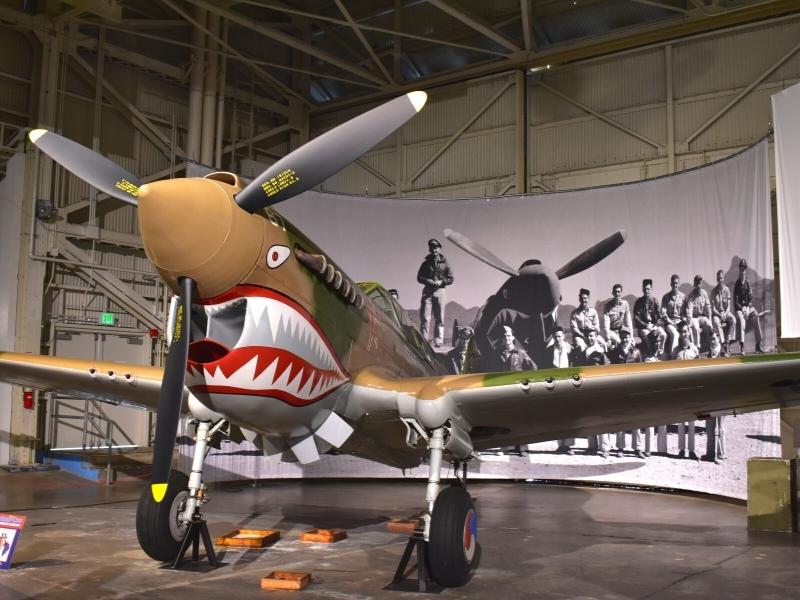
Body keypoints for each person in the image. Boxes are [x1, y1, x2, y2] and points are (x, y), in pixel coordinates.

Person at [609, 328, 649, 459]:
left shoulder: (636, 352)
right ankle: (620, 448)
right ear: (620, 337)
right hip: (620, 390)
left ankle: (637, 448)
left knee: (635, 420)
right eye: (623, 337)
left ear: (630, 337)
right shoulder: (615, 352)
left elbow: (642, 372)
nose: (625, 339)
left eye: (627, 337)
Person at [417, 238, 454, 347]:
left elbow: (451, 279)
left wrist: (442, 281)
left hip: (440, 291)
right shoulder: (425, 263)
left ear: (439, 249)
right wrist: (427, 280)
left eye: (436, 247)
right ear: (429, 249)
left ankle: (438, 341)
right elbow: (419, 277)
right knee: (425, 316)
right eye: (432, 247)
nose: (434, 249)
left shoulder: (446, 264)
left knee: (439, 317)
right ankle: (423, 340)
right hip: (427, 291)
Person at [672, 321, 700, 459]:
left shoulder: (694, 350)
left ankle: (692, 450)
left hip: (692, 389)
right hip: (680, 389)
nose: (683, 334)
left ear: (688, 331)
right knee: (681, 421)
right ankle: (682, 449)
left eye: (685, 331)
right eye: (681, 332)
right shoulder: (675, 351)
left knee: (692, 420)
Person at [546, 326, 575, 455]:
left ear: (563, 336)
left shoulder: (570, 349)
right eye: (556, 336)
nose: (558, 338)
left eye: (560, 336)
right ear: (553, 337)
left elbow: (574, 365)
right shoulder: (549, 350)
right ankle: (560, 444)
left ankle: (568, 445)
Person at [734, 258, 764, 354]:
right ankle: (742, 347)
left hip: (747, 308)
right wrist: (742, 308)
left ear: (746, 269)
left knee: (755, 314)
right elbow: (735, 300)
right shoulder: (737, 284)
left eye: (744, 267)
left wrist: (748, 307)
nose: (743, 269)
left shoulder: (748, 282)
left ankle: (758, 345)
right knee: (742, 323)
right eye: (741, 267)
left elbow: (750, 297)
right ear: (739, 269)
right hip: (739, 309)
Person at [633, 279, 665, 359]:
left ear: (651, 289)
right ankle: (651, 355)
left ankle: (660, 352)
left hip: (654, 325)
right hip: (644, 327)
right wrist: (646, 325)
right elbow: (636, 318)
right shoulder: (638, 302)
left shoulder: (655, 301)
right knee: (648, 336)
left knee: (663, 335)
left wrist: (656, 325)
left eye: (648, 289)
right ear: (642, 290)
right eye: (645, 289)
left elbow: (660, 316)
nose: (646, 291)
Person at [710, 269, 735, 356]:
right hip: (717, 313)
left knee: (733, 319)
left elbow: (728, 305)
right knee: (716, 322)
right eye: (718, 279)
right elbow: (713, 308)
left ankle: (728, 341)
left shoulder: (727, 290)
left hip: (725, 312)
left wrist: (725, 313)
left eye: (721, 278)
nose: (720, 280)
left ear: (723, 279)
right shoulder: (713, 291)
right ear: (716, 279)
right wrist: (719, 314)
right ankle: (723, 344)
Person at [661, 274, 687, 357]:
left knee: (687, 332)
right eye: (673, 283)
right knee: (675, 334)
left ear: (679, 284)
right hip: (669, 323)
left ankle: (689, 354)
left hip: (680, 321)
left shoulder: (683, 296)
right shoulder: (666, 297)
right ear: (671, 284)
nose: (675, 285)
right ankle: (673, 357)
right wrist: (672, 323)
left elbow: (685, 312)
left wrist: (684, 319)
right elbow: (664, 314)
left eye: (676, 283)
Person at [686, 275, 713, 350]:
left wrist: (709, 318)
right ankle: (696, 349)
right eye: (697, 283)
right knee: (696, 328)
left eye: (700, 283)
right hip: (694, 317)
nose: (698, 285)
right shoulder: (691, 295)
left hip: (702, 317)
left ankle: (711, 347)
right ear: (694, 284)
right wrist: (689, 321)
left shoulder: (704, 293)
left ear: (702, 284)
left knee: (709, 325)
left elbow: (708, 306)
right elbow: (689, 308)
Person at [603, 283, 633, 348]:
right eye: (615, 292)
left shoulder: (625, 304)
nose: (617, 294)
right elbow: (606, 323)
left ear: (621, 293)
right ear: (612, 293)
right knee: (619, 341)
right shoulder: (607, 306)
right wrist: (608, 338)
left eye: (619, 292)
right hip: (611, 330)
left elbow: (628, 321)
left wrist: (631, 336)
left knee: (629, 341)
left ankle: (628, 357)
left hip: (621, 329)